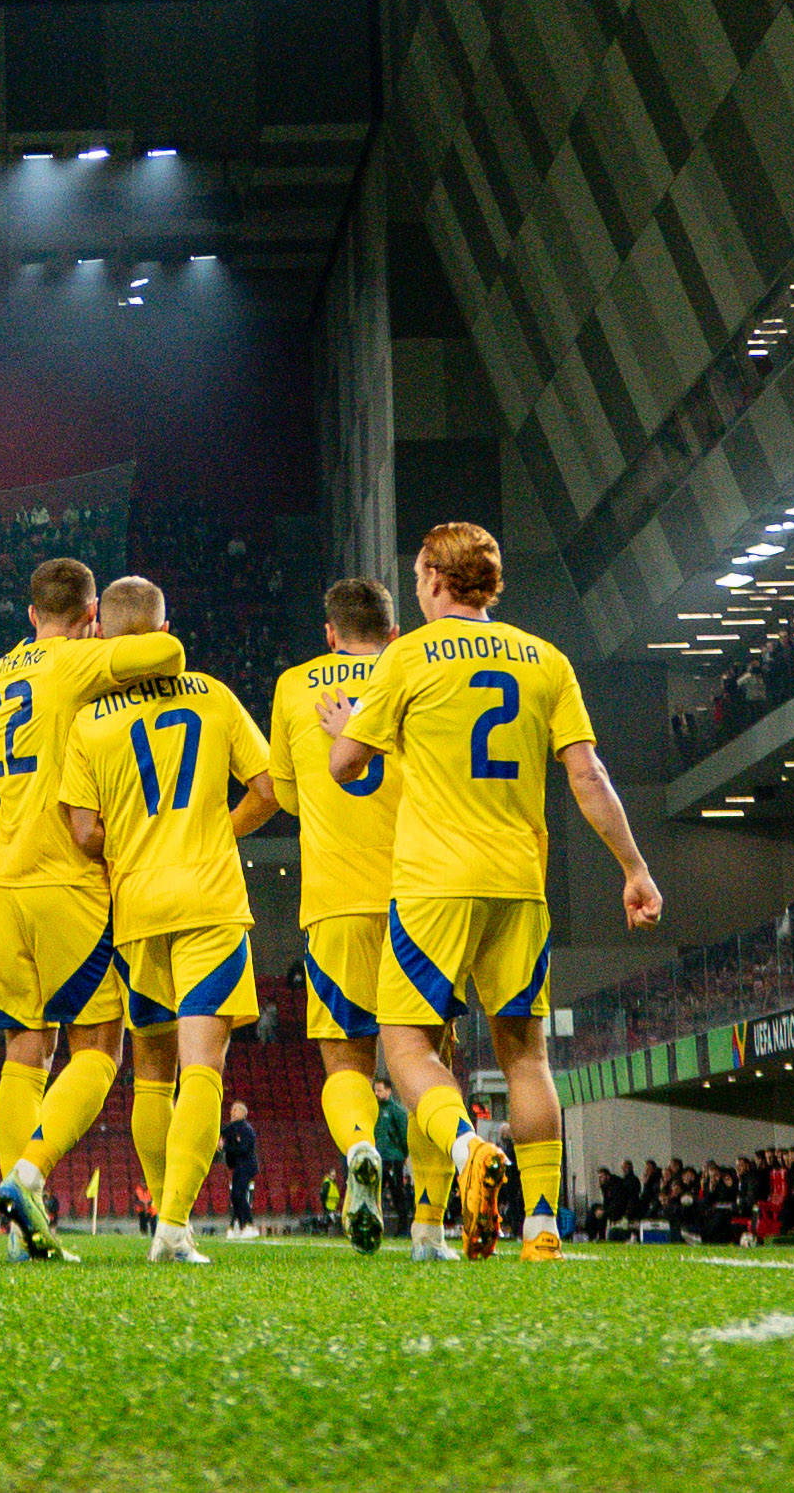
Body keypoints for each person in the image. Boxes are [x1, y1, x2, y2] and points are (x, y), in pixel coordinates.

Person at [325, 522, 663, 1263]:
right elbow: (588, 775)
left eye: (420, 574)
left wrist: (355, 726)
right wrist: (634, 868)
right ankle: (541, 1229)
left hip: (434, 884)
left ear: (436, 579)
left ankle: (465, 1146)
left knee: (407, 1043)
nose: (417, 587)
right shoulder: (546, 659)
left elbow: (345, 765)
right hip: (519, 883)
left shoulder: (406, 657)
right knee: (527, 1058)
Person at [36, 574, 278, 1265]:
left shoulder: (90, 722)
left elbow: (85, 831)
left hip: (138, 908)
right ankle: (174, 1227)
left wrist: (133, 844)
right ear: (164, 633)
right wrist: (218, 830)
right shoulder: (213, 695)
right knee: (204, 1067)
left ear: (103, 638)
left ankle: (166, 1218)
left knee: (151, 1074)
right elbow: (267, 790)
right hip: (209, 900)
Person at [0, 558, 185, 1256]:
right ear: (91, 614)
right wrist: (106, 644)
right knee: (98, 1047)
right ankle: (28, 1177)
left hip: (5, 877)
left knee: (23, 1051)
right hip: (64, 878)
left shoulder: (6, 668)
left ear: (31, 613)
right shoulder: (76, 663)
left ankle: (18, 1234)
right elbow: (166, 653)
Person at [264, 576, 404, 1254]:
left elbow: (286, 795)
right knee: (424, 1061)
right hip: (419, 898)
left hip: (335, 899)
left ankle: (358, 1148)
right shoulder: (413, 675)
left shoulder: (295, 686)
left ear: (329, 633)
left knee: (345, 1062)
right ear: (393, 633)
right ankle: (430, 1225)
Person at [371, 1077, 414, 1248]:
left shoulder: (397, 1111)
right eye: (375, 1090)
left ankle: (403, 1228)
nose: (377, 1093)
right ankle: (373, 1228)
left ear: (388, 1091)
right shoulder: (373, 1109)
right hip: (377, 1157)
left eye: (380, 1090)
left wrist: (404, 1154)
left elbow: (404, 1135)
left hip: (393, 1159)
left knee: (398, 1194)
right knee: (374, 1193)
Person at [221, 1101, 260, 1238]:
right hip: (239, 1166)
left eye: (235, 1110)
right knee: (235, 1196)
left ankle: (249, 1224)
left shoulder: (246, 1129)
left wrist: (224, 1147)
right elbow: (222, 1132)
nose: (231, 1112)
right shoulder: (233, 1128)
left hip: (247, 1166)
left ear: (243, 1114)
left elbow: (243, 1149)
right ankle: (239, 1224)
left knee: (239, 1194)